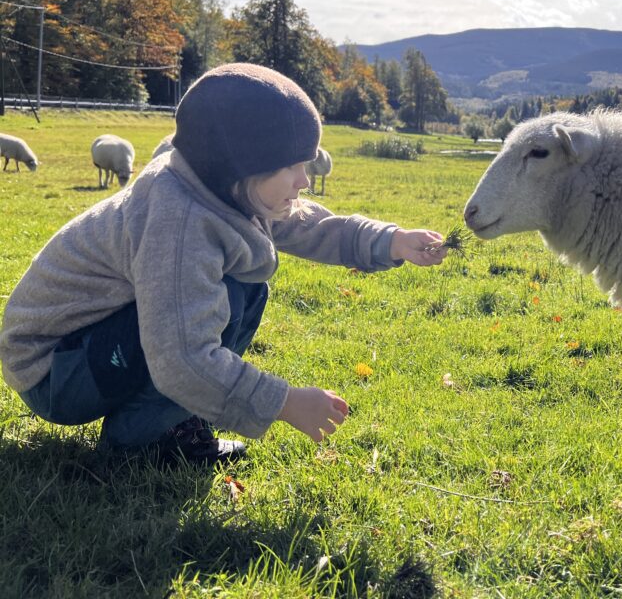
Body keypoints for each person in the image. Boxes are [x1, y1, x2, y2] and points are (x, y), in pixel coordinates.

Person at [0, 63, 448, 465]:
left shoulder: (217, 186)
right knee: (233, 294)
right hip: (51, 368)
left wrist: (391, 241)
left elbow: (309, 224)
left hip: (86, 346)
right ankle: (140, 441)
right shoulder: (179, 221)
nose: (304, 181)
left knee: (246, 288)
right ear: (243, 167)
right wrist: (285, 403)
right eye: (290, 166)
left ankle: (164, 420)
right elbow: (182, 356)